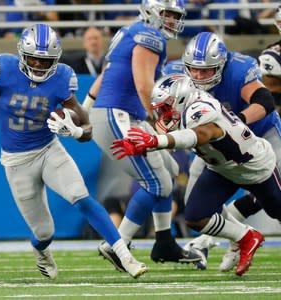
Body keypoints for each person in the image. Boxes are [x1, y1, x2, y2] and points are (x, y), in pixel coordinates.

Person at [0, 23, 148, 280]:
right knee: (44, 233)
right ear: (22, 54)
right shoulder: (4, 71)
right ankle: (42, 252)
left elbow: (85, 124)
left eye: (45, 61)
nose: (39, 66)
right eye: (34, 59)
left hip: (48, 150)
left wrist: (76, 132)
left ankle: (125, 255)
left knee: (81, 197)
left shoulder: (62, 78)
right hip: (16, 161)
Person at [110, 73, 281, 276]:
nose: (164, 114)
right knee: (195, 217)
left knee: (277, 211)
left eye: (166, 107)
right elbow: (178, 135)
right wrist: (145, 145)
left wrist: (156, 141)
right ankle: (246, 237)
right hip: (222, 169)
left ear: (181, 98)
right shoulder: (187, 107)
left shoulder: (200, 109)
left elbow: (199, 135)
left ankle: (246, 236)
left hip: (254, 167)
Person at [82, 0, 202, 269]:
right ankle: (118, 243)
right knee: (157, 183)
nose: (172, 20)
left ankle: (164, 242)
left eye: (175, 16)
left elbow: (104, 76)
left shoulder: (128, 31)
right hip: (119, 115)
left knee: (169, 170)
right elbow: (143, 85)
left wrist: (84, 110)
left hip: (121, 114)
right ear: (152, 11)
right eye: (168, 14)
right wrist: (160, 122)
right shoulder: (150, 35)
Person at [181, 31, 280, 272]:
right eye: (193, 69)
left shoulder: (238, 68)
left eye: (206, 70)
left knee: (275, 203)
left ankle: (220, 241)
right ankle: (228, 239)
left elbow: (265, 101)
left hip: (261, 135)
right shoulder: (181, 79)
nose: (198, 75)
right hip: (221, 147)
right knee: (194, 207)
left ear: (221, 64)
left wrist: (236, 122)